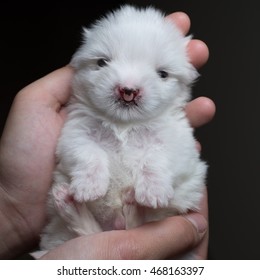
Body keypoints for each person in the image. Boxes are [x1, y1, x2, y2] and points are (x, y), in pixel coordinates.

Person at [0, 12, 215, 259]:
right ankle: (81, 224)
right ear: (79, 65)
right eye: (103, 62)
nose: (128, 87)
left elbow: (180, 153)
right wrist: (89, 166)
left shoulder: (173, 125)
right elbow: (75, 143)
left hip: (156, 232)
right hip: (72, 240)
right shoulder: (81, 117)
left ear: (183, 82)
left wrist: (155, 170)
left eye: (162, 73)